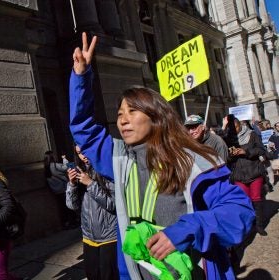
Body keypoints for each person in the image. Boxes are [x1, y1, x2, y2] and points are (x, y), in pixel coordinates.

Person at [69, 32, 255, 279]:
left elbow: (240, 213)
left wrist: (186, 230)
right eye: (120, 113)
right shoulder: (118, 158)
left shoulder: (193, 163)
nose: (123, 120)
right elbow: (83, 129)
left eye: (132, 111)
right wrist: (81, 77)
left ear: (156, 117)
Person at [66, 145, 119, 280]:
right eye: (78, 153)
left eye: (84, 151)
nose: (83, 156)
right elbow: (72, 206)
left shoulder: (107, 170)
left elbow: (114, 204)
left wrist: (91, 184)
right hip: (88, 237)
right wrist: (72, 184)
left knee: (109, 276)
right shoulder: (81, 172)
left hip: (109, 237)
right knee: (93, 275)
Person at [223, 118, 267, 236]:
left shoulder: (252, 134)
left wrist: (245, 152)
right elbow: (226, 158)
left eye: (236, 128)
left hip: (254, 171)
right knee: (244, 201)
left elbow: (261, 150)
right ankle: (249, 224)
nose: (234, 131)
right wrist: (231, 155)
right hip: (239, 174)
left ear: (240, 125)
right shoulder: (228, 139)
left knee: (256, 199)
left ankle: (259, 225)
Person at [44, 150, 78, 229]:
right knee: (69, 206)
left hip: (56, 191)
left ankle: (65, 223)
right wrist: (64, 159)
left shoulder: (46, 167)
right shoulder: (55, 165)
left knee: (62, 207)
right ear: (52, 157)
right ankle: (73, 222)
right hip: (63, 189)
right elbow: (67, 167)